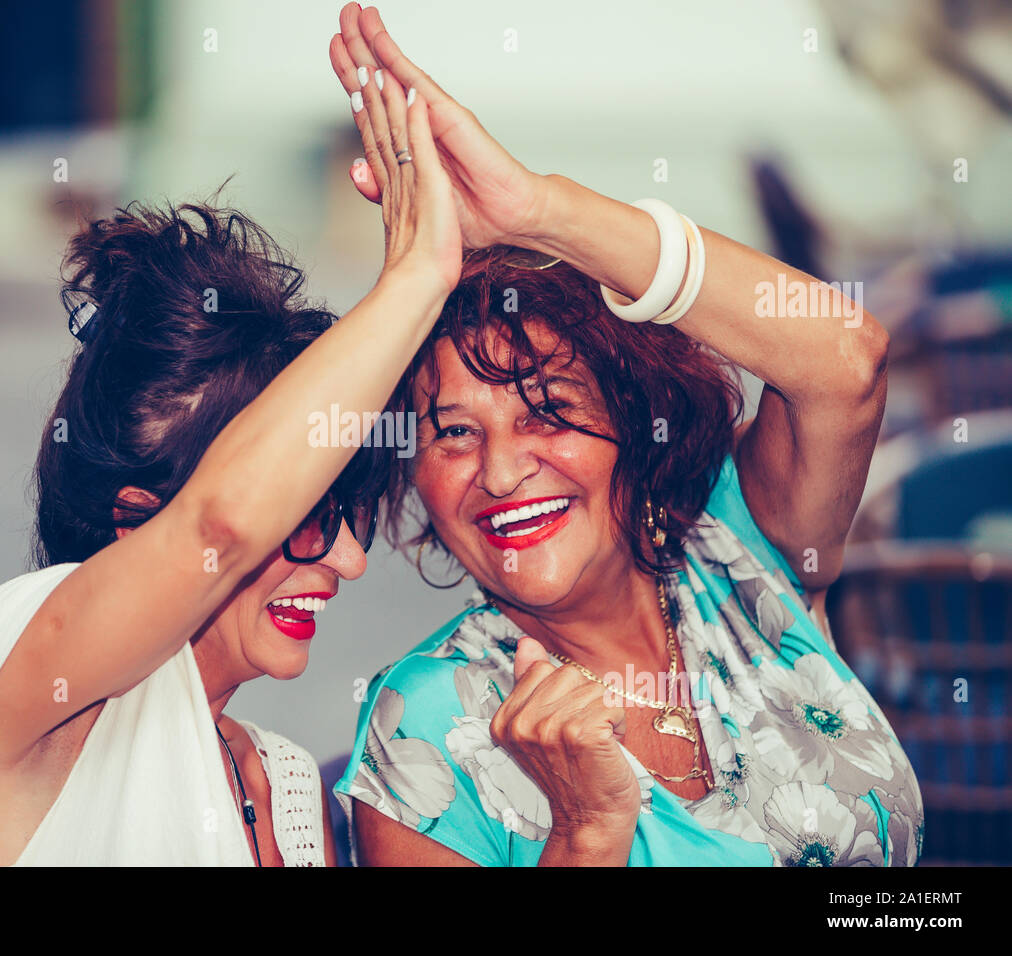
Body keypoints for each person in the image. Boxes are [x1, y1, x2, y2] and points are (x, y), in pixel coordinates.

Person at [328, 3, 923, 866]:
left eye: (546, 412)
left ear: (633, 424)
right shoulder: (421, 734)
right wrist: (584, 834)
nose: (499, 472)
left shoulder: (739, 549)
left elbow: (846, 357)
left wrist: (538, 210)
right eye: (453, 433)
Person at [0, 69, 463, 865]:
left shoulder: (286, 785)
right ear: (138, 519)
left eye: (345, 517)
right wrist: (420, 274)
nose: (350, 561)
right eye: (307, 520)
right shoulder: (30, 687)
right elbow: (219, 522)